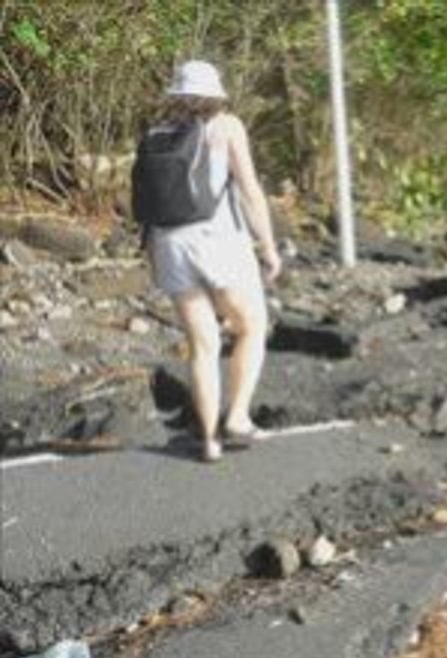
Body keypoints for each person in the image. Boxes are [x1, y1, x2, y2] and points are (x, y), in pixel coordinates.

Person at [146, 60, 282, 462]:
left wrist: (152, 256)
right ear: (216, 92)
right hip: (219, 241)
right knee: (251, 326)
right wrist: (269, 246)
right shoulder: (227, 125)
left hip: (168, 242)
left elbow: (149, 201)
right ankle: (237, 418)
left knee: (202, 345)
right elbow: (250, 190)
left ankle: (208, 441)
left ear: (177, 93)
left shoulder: (158, 131)